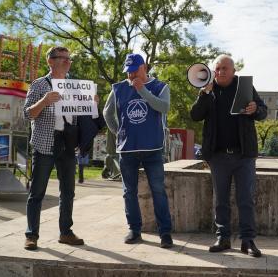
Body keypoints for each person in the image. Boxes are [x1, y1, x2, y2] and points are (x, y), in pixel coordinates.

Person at [190, 54, 267, 257]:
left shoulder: (244, 86)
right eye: (217, 68)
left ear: (233, 71)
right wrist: (204, 94)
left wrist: (255, 109)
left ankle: (248, 241)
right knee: (220, 200)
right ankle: (223, 238)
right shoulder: (208, 89)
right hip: (218, 156)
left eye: (225, 68)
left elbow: (263, 111)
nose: (220, 72)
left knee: (246, 199)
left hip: (244, 155)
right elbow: (195, 115)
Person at [103, 53, 173, 248]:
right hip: (127, 150)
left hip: (153, 148)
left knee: (158, 190)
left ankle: (165, 232)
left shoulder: (161, 87)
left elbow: (164, 107)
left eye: (135, 71)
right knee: (128, 192)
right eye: (129, 72)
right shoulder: (118, 89)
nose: (131, 75)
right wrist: (119, 132)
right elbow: (107, 113)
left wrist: (142, 90)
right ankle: (134, 229)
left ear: (145, 67)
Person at [23, 46, 85, 250]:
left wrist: (90, 103)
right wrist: (45, 100)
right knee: (37, 192)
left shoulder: (74, 86)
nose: (68, 62)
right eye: (63, 58)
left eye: (69, 59)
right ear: (51, 61)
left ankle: (65, 233)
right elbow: (28, 114)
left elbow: (80, 116)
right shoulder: (39, 84)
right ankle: (31, 235)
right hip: (45, 143)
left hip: (68, 144)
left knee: (68, 191)